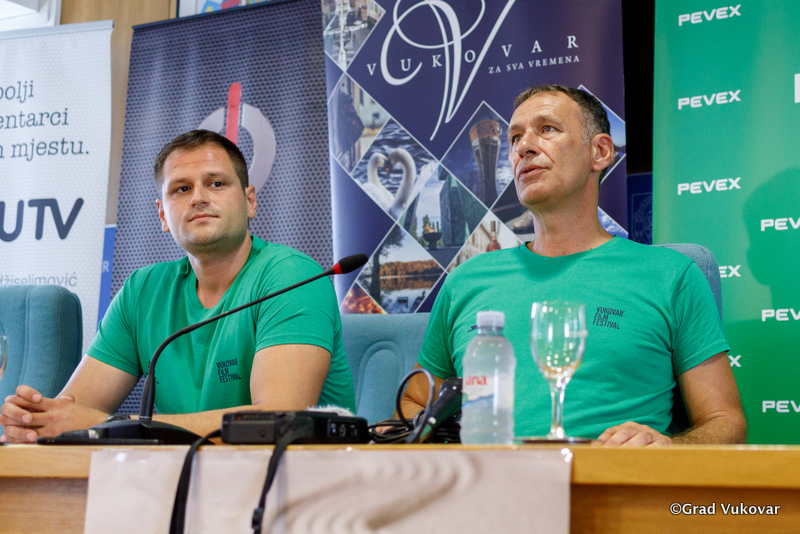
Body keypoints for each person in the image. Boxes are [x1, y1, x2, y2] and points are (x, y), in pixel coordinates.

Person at [400, 84, 746, 446]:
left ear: (600, 152)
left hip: (607, 479)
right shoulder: (466, 280)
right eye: (515, 137)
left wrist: (669, 448)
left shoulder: (672, 275)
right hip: (484, 478)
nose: (523, 146)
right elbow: (413, 403)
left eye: (547, 129)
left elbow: (726, 423)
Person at [0, 130, 355, 443]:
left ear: (250, 201)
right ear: (162, 215)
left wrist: (108, 425)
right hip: (177, 481)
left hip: (294, 484)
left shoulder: (292, 277)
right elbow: (75, 409)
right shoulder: (143, 291)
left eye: (216, 184)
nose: (199, 197)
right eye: (182, 189)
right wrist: (35, 421)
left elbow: (277, 420)